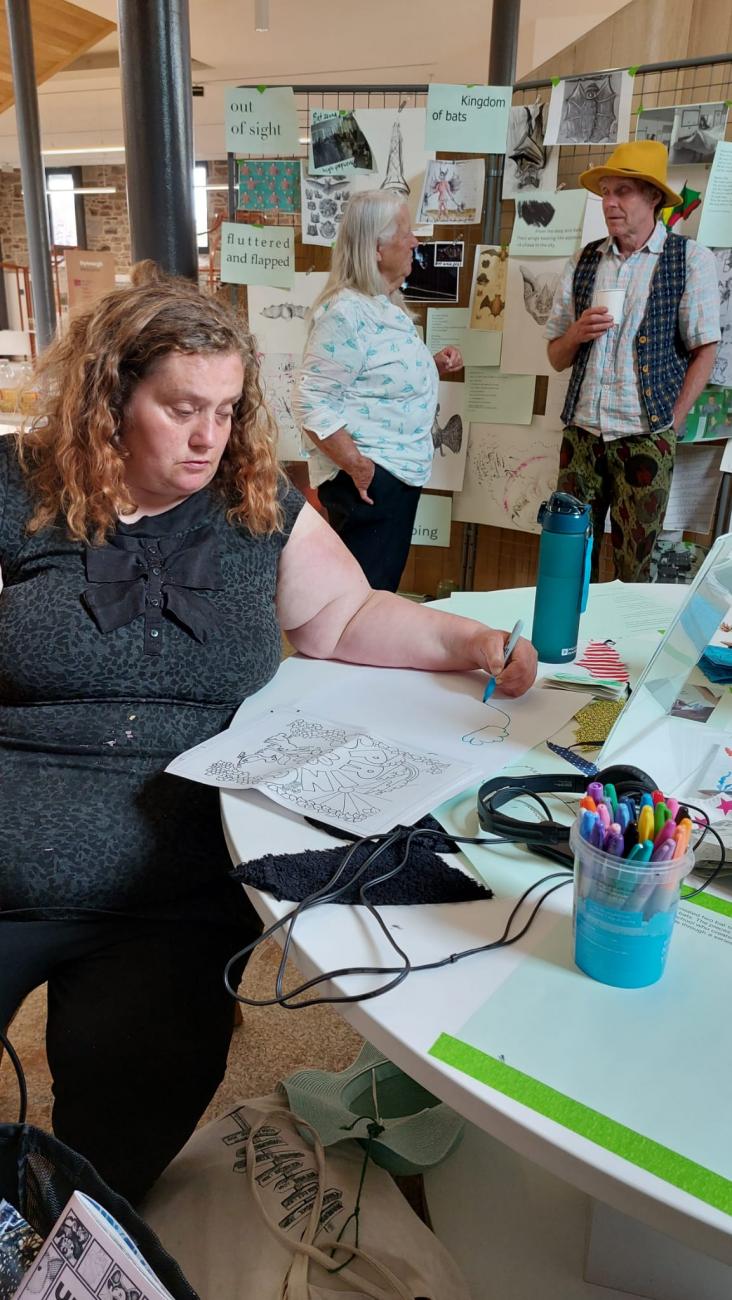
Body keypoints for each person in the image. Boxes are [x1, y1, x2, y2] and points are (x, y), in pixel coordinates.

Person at [0, 265, 535, 1205]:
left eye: (226, 408)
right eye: (179, 408)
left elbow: (343, 616)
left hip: (167, 888)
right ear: (110, 395)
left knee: (129, 1117)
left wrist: (468, 640)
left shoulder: (255, 499)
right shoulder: (19, 485)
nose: (210, 435)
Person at [545, 140, 720, 582]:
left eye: (622, 191)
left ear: (653, 197)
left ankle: (619, 653)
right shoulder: (586, 260)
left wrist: (671, 424)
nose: (609, 203)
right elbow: (556, 356)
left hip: (645, 436)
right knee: (566, 559)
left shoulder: (688, 260)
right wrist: (576, 333)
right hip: (582, 434)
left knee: (634, 568)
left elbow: (706, 349)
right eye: (605, 191)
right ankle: (568, 647)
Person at [293, 190, 463, 592]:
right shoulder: (345, 312)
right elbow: (311, 399)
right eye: (405, 232)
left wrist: (429, 365)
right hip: (371, 482)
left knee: (374, 596)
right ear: (376, 249)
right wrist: (356, 464)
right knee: (360, 603)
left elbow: (374, 376)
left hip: (391, 477)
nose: (414, 241)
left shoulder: (382, 306)